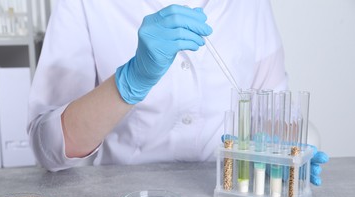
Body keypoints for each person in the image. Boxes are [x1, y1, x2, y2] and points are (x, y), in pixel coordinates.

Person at [28, 1, 328, 185]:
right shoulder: (84, 4)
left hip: (228, 196)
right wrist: (129, 81)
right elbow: (49, 147)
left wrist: (289, 154)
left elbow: (271, 111)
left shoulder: (249, 4)